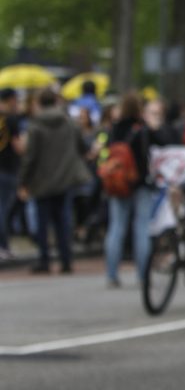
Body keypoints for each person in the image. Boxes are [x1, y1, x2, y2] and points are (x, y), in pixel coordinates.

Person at [17, 88, 91, 274]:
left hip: (42, 180)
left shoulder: (35, 126)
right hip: (65, 178)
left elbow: (30, 157)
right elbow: (82, 147)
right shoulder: (70, 123)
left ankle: (45, 260)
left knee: (43, 223)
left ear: (40, 103)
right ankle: (66, 259)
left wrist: (23, 181)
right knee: (63, 220)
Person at [103, 92, 159, 288]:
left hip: (119, 182)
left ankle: (111, 274)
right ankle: (143, 275)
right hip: (140, 181)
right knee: (141, 227)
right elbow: (158, 143)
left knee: (116, 227)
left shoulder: (115, 128)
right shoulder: (142, 128)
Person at [0, 89, 22, 259]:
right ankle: (3, 245)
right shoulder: (11, 120)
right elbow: (18, 147)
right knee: (4, 209)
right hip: (7, 168)